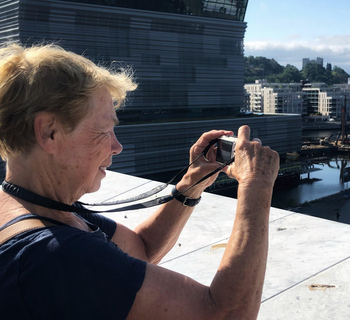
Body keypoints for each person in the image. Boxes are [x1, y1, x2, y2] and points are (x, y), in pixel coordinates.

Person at [0, 42, 279, 319]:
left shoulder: (33, 207)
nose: (116, 146)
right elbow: (227, 314)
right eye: (104, 131)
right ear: (49, 132)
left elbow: (141, 250)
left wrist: (193, 181)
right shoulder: (58, 254)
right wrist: (257, 183)